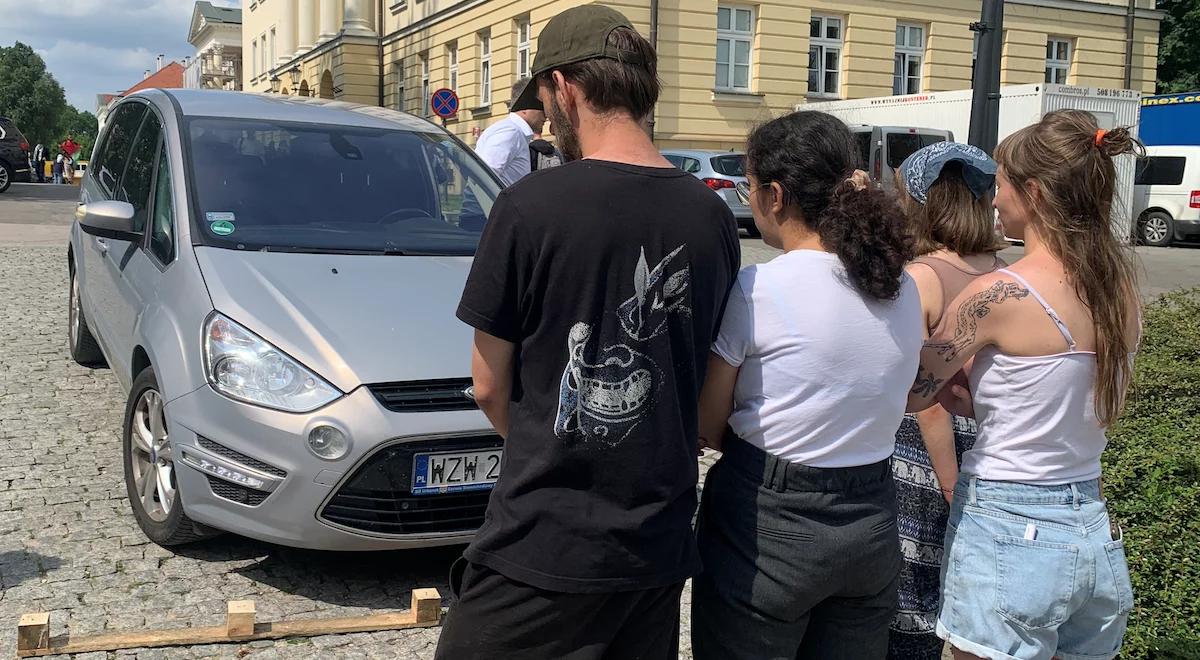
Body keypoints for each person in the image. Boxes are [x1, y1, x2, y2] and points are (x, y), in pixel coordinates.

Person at [434, 5, 740, 659]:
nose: (546, 115)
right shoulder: (711, 216)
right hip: (656, 543)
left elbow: (489, 386)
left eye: (544, 98)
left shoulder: (527, 208)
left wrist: (554, 440)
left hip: (544, 541)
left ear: (565, 87)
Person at [907, 109, 1141, 660]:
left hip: (1008, 517)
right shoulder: (1120, 292)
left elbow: (916, 390)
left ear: (1033, 192)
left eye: (1000, 184)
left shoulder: (999, 293)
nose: (992, 199)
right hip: (1090, 517)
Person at [691, 110, 922, 660]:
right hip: (871, 517)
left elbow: (708, 420)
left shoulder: (761, 287)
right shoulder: (901, 283)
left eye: (748, 187)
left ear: (775, 195)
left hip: (769, 518)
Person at [887, 142, 1009, 660]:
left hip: (927, 454)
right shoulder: (1005, 271)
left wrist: (948, 480)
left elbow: (925, 397)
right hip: (992, 442)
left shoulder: (921, 277)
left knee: (913, 607)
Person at [472, 78, 546, 186]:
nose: (546, 115)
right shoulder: (511, 132)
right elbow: (484, 175)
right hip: (489, 202)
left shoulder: (514, 131)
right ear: (525, 107)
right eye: (542, 107)